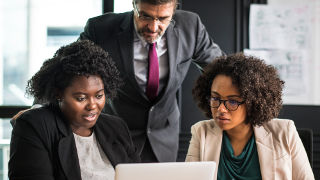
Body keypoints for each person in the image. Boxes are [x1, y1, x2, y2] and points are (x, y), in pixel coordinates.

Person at [79, 0, 224, 162]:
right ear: (134, 4)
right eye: (145, 16)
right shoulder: (100, 29)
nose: (153, 28)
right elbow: (70, 71)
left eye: (163, 19)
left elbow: (222, 70)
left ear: (174, 10)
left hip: (164, 135)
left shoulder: (191, 26)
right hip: (115, 135)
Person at [9, 40, 140, 180]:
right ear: (58, 93)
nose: (92, 105)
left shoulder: (116, 127)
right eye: (81, 98)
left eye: (99, 96)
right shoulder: (35, 126)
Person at [185, 53, 315, 179]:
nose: (221, 108)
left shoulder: (284, 131)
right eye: (215, 98)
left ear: (252, 102)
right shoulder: (201, 132)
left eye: (232, 101)